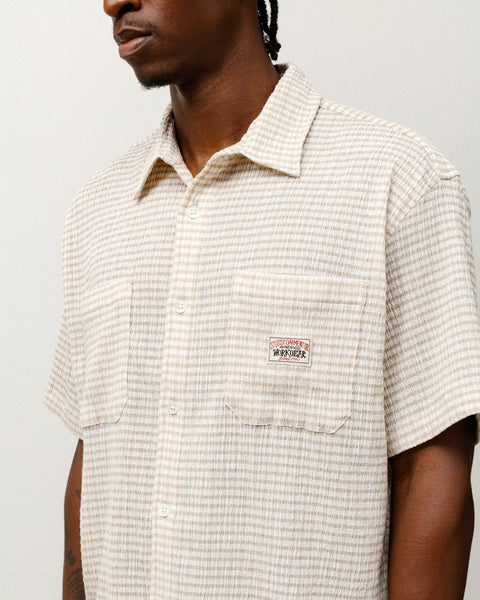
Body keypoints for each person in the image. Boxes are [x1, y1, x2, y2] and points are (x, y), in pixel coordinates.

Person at [43, 1, 480, 599]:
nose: (113, 2)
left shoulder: (396, 183)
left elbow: (430, 468)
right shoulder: (98, 212)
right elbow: (93, 458)